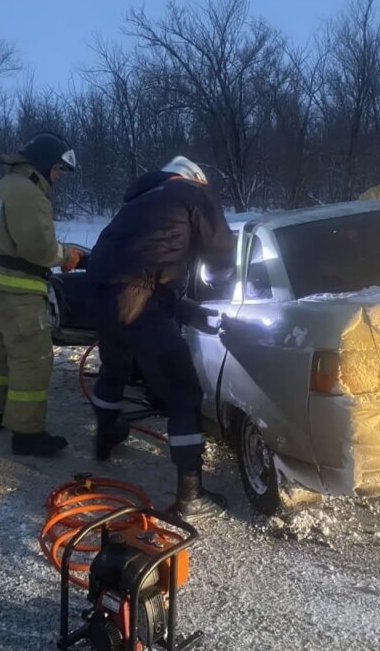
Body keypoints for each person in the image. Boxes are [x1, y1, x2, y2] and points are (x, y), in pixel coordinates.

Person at [86, 156, 236, 523]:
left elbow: (143, 253)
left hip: (101, 298)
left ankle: (106, 437)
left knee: (115, 366)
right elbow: (220, 250)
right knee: (184, 393)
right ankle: (191, 496)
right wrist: (222, 283)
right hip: (143, 300)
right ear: (196, 180)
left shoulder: (138, 201)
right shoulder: (191, 193)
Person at [0, 131, 85, 457]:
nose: (60, 176)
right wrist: (67, 255)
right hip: (17, 288)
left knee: (3, 351)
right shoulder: (30, 194)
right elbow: (38, 248)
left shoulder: (2, 186)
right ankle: (27, 433)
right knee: (33, 359)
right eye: (59, 170)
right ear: (43, 164)